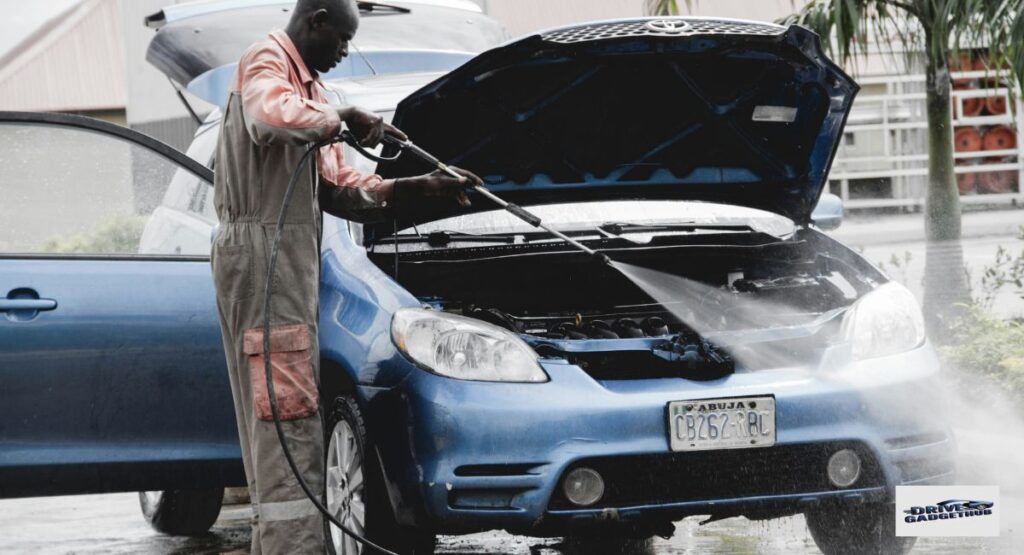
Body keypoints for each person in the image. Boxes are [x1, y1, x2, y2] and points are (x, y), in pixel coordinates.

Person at [210, 0, 479, 552]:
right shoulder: (266, 61)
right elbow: (268, 117)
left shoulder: (308, 90)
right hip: (264, 256)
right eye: (342, 40)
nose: (343, 53)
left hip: (287, 256)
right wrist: (345, 117)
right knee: (284, 417)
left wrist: (415, 187)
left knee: (291, 412)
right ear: (317, 21)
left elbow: (338, 188)